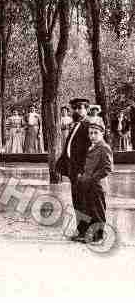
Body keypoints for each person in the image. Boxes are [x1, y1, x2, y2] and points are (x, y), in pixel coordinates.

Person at [56, 98, 92, 242]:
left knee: (84, 202)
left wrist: (83, 171)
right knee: (77, 201)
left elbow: (90, 151)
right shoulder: (75, 125)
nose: (76, 110)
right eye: (75, 108)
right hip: (73, 170)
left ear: (87, 110)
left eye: (80, 108)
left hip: (81, 171)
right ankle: (81, 230)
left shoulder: (89, 125)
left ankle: (88, 232)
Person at [77, 121, 113, 244]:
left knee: (98, 211)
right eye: (90, 133)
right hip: (88, 184)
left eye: (95, 133)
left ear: (102, 133)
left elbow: (107, 168)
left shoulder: (104, 147)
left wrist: (92, 178)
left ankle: (99, 237)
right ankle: (92, 235)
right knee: (90, 210)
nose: (92, 136)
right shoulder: (91, 147)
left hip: (97, 185)